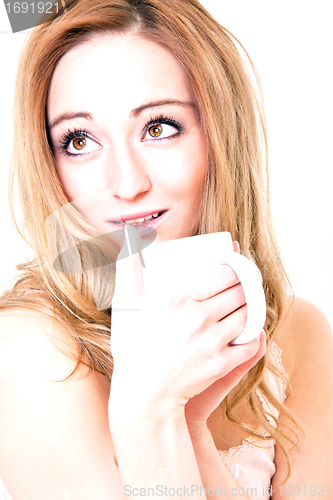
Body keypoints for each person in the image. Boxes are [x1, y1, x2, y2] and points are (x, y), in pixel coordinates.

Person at [0, 0, 332, 498]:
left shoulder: (294, 330)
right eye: (79, 139)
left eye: (158, 127)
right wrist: (150, 413)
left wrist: (189, 428)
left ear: (220, 137)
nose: (126, 183)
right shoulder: (30, 350)